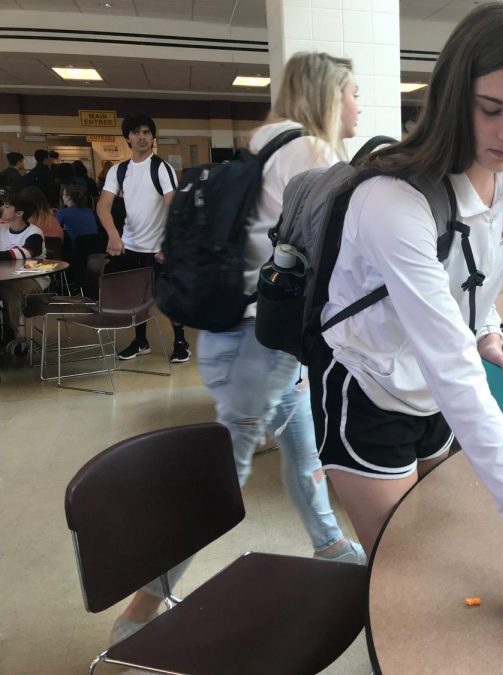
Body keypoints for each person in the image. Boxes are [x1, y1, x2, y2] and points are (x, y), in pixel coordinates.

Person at [309, 0, 503, 602]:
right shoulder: (389, 200)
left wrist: (485, 332)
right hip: (368, 388)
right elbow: (447, 360)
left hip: (432, 398)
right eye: (491, 110)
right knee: (403, 583)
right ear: (455, 96)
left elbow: (471, 283)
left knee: (446, 553)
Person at [107, 52, 366, 645]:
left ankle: (327, 543)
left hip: (237, 332)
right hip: (265, 342)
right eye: (353, 92)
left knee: (302, 449)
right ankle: (139, 612)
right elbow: (334, 261)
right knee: (225, 477)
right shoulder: (313, 155)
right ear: (328, 96)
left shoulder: (262, 149)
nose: (359, 104)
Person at [96, 113, 190, 363]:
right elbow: (103, 206)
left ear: (152, 137)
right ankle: (141, 341)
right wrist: (114, 235)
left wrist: (168, 244)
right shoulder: (119, 170)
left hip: (158, 247)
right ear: (127, 137)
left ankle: (181, 341)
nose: (142, 137)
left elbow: (174, 207)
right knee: (136, 299)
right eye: (136, 132)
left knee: (169, 296)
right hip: (130, 245)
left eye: (147, 132)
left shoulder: (161, 168)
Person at [0, 192, 46, 352]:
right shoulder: (2, 228)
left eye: (6, 207)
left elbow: (27, 252)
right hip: (6, 278)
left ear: (19, 214)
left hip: (33, 279)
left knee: (10, 290)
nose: (2, 209)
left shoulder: (34, 233)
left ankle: (14, 335)